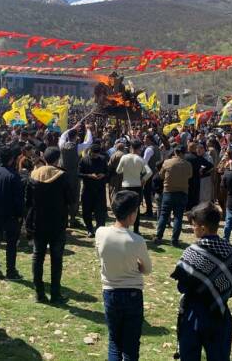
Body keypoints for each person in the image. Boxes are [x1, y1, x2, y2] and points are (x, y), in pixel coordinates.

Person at [171, 202, 232, 361]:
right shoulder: (231, 252)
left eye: (194, 225)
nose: (193, 228)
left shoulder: (192, 252)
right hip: (220, 314)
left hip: (193, 315)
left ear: (203, 228)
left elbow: (182, 286)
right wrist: (217, 294)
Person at [95, 190, 152, 361]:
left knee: (114, 341)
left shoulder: (101, 232)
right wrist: (136, 265)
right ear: (131, 214)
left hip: (110, 291)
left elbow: (100, 256)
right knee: (131, 345)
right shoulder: (137, 240)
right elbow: (147, 269)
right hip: (133, 293)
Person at [26, 146, 73, 303]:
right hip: (57, 222)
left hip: (38, 221)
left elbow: (28, 201)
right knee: (56, 258)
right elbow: (71, 199)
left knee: (37, 256)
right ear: (57, 159)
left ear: (44, 158)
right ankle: (55, 294)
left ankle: (39, 293)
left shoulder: (34, 174)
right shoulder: (62, 176)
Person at [0, 147, 24, 280]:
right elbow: (18, 199)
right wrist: (20, 215)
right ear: (12, 159)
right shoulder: (14, 176)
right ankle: (10, 271)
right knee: (11, 244)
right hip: (10, 215)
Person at [154, 146, 192, 246]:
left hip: (168, 192)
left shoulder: (167, 162)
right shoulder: (187, 164)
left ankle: (158, 237)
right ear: (184, 153)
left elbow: (161, 175)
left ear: (175, 152)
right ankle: (174, 240)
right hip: (182, 192)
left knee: (164, 215)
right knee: (178, 217)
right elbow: (190, 175)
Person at [59, 123, 93, 226]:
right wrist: (88, 129)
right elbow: (89, 142)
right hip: (74, 176)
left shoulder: (61, 145)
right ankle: (72, 219)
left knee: (63, 196)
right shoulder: (78, 147)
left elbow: (63, 136)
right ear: (76, 137)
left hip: (62, 175)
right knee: (74, 197)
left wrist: (73, 127)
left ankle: (64, 219)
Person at [116, 139, 152, 234]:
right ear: (139, 148)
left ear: (131, 147)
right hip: (137, 186)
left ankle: (124, 227)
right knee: (136, 209)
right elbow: (149, 172)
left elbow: (118, 171)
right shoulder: (140, 159)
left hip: (126, 185)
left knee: (124, 207)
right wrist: (143, 179)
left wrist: (125, 171)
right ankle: (136, 230)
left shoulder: (124, 157)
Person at [78, 143, 109, 237]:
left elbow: (108, 172)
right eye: (94, 154)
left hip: (100, 190)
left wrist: (103, 175)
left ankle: (100, 230)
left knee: (100, 212)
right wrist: (89, 175)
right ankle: (90, 229)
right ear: (90, 151)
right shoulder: (84, 160)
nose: (95, 156)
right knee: (86, 211)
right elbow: (78, 173)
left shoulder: (103, 159)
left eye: (97, 154)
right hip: (88, 189)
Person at [142, 134, 161, 217]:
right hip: (156, 173)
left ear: (149, 140)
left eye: (145, 139)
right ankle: (157, 211)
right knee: (154, 193)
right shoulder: (157, 148)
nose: (143, 140)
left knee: (147, 192)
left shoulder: (149, 149)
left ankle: (149, 211)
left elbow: (144, 162)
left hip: (149, 174)